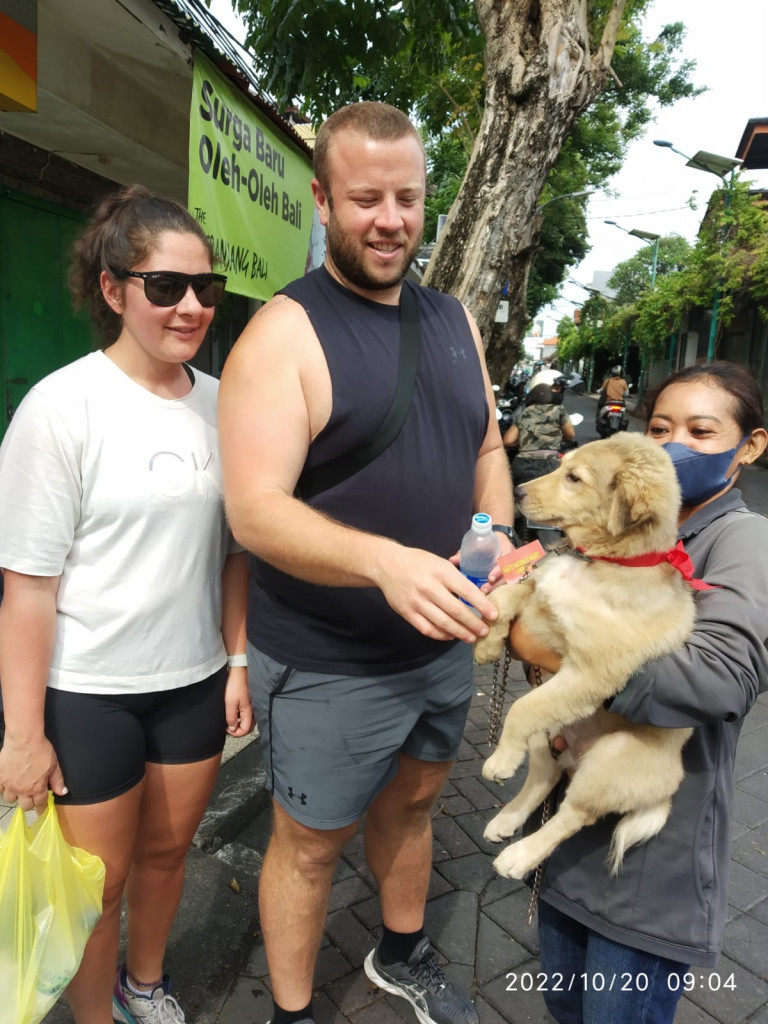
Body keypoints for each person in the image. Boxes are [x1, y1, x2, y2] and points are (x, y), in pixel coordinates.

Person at [217, 101, 514, 1024]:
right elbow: (255, 512)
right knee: (308, 845)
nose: (390, 220)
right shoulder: (284, 334)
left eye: (407, 198)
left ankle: (400, 950)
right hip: (328, 659)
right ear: (321, 200)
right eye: (364, 200)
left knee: (418, 804)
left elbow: (489, 448)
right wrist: (387, 563)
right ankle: (294, 1011)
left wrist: (492, 536)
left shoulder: (455, 318)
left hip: (439, 646)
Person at [0, 185, 253, 1024]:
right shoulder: (60, 409)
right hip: (88, 691)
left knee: (167, 854)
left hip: (192, 682)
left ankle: (147, 986)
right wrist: (24, 736)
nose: (190, 307)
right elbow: (27, 592)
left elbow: (233, 553)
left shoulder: (226, 407)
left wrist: (238, 659)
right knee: (95, 889)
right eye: (165, 287)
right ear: (113, 290)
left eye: (205, 290)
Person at [506, 361, 768, 1023]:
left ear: (751, 446)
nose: (671, 445)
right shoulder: (619, 531)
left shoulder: (744, 539)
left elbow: (722, 677)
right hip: (568, 851)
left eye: (701, 431)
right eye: (659, 427)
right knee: (565, 1010)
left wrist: (558, 648)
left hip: (650, 872)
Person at [503, 382, 576, 483]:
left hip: (522, 466)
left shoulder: (525, 412)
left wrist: (523, 439)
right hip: (550, 465)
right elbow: (570, 435)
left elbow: (507, 441)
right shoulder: (559, 410)